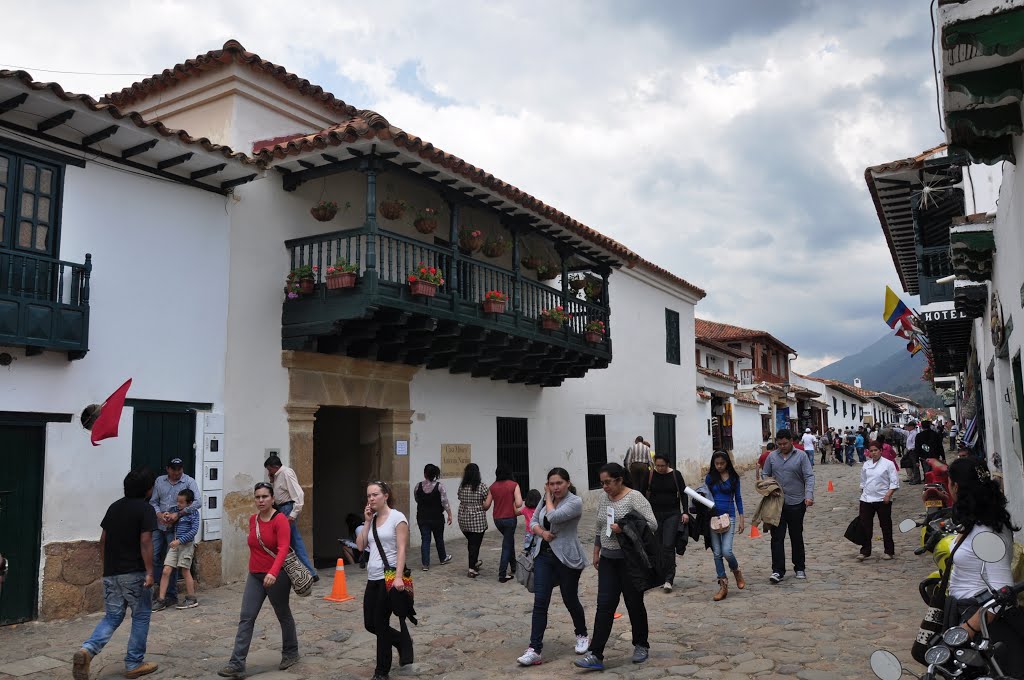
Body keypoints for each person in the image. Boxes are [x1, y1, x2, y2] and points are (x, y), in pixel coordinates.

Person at [73, 468, 159, 680]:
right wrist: (150, 572)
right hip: (135, 573)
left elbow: (103, 540)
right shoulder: (145, 510)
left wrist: (108, 566)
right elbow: (146, 542)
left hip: (112, 573)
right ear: (148, 490)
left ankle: (88, 650)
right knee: (141, 616)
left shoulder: (114, 508)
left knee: (112, 616)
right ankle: (133, 663)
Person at [575, 463, 658, 671]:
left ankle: (641, 644)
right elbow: (599, 525)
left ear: (619, 479)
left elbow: (652, 523)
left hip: (629, 561)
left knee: (634, 603)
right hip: (608, 560)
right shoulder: (604, 498)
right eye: (602, 483)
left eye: (608, 482)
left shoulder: (634, 497)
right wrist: (596, 549)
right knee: (604, 606)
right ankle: (596, 654)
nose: (604, 487)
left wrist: (625, 527)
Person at [947, 459, 1023, 675]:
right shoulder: (978, 522)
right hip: (967, 613)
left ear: (956, 486)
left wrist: (966, 631)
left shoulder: (987, 534)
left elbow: (1002, 596)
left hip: (981, 626)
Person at [218, 482, 298, 678]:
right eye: (257, 497)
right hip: (255, 575)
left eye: (265, 497)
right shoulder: (253, 519)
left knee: (283, 614)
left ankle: (291, 652)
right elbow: (255, 547)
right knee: (247, 617)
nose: (261, 500)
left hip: (276, 576)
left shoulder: (280, 520)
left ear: (272, 499)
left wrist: (273, 572)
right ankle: (237, 663)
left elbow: (283, 548)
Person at [517, 468, 589, 666]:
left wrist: (547, 496)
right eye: (551, 484)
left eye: (559, 483)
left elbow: (554, 517)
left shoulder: (575, 502)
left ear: (567, 482)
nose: (555, 487)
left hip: (567, 558)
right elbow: (532, 521)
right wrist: (542, 533)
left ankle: (581, 633)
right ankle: (534, 649)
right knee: (540, 601)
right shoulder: (544, 500)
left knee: (570, 598)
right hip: (544, 557)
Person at [358, 481, 414, 680]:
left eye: (375, 494)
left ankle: (381, 672)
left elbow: (401, 549)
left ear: (386, 495)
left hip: (389, 577)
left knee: (380, 624)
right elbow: (360, 545)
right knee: (369, 624)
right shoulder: (371, 519)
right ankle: (400, 640)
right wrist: (366, 522)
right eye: (368, 496)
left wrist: (398, 576)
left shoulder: (397, 518)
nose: (371, 499)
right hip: (372, 576)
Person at [762, 429, 814, 583]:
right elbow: (765, 474)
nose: (782, 446)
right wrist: (770, 488)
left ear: (792, 441)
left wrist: (809, 495)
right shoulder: (772, 457)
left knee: (796, 535)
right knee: (776, 537)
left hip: (797, 502)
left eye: (785, 443)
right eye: (780, 444)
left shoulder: (801, 456)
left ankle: (799, 567)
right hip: (777, 503)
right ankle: (777, 570)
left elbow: (809, 476)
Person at [149, 457, 201, 608]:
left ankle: (171, 595)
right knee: (155, 557)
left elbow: (197, 502)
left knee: (174, 562)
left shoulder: (189, 482)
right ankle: (159, 594)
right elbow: (153, 502)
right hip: (160, 525)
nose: (177, 472)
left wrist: (177, 515)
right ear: (168, 469)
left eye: (180, 469)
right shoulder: (160, 481)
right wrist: (160, 515)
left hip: (177, 530)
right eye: (174, 469)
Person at [264, 455, 317, 582]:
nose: (268, 472)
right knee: (287, 540)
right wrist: (272, 479)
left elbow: (299, 494)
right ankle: (296, 570)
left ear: (274, 467)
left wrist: (293, 514)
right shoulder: (278, 475)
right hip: (281, 508)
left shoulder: (286, 473)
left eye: (269, 469)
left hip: (287, 508)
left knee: (294, 540)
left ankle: (310, 572)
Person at [706, 451, 745, 601]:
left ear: (727, 462)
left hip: (729, 517)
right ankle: (723, 584)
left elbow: (739, 498)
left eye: (722, 463)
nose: (719, 466)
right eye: (717, 464)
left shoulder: (734, 478)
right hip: (713, 518)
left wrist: (741, 518)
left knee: (727, 551)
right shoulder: (710, 478)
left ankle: (736, 570)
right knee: (717, 553)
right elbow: (705, 495)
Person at [645, 454, 687, 592]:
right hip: (655, 515)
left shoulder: (676, 475)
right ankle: (661, 575)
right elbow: (642, 493)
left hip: (672, 514)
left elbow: (683, 493)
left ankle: (669, 578)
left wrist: (685, 512)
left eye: (662, 465)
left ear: (668, 464)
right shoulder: (650, 475)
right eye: (658, 465)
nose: (660, 468)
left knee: (668, 545)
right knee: (658, 546)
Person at [154, 489, 200, 610]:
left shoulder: (194, 513)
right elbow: (170, 518)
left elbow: (193, 531)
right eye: (177, 501)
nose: (178, 504)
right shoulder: (176, 510)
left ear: (189, 503)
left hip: (186, 545)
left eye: (181, 502)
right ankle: (161, 599)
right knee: (166, 570)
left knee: (185, 570)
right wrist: (167, 516)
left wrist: (179, 541)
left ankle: (191, 598)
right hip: (175, 544)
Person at [857, 441, 899, 561]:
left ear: (881, 451)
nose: (874, 453)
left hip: (882, 499)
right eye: (871, 451)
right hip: (866, 499)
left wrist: (888, 495)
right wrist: (863, 494)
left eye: (876, 450)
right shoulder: (866, 465)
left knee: (885, 526)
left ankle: (889, 550)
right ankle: (865, 550)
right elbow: (863, 481)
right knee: (865, 526)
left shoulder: (888, 464)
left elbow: (894, 482)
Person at [413, 464, 453, 571]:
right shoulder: (439, 486)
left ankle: (425, 564)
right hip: (437, 517)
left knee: (425, 540)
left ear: (425, 474)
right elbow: (445, 502)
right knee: (439, 538)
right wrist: (449, 514)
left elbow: (416, 499)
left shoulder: (418, 486)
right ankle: (442, 557)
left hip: (422, 517)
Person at [487, 465, 523, 583]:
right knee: (507, 545)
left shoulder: (493, 486)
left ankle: (513, 567)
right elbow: (518, 504)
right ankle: (502, 573)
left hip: (497, 519)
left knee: (509, 540)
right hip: (510, 518)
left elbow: (486, 505)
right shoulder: (513, 485)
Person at [457, 463, 490, 578]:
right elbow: (486, 502)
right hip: (477, 520)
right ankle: (471, 568)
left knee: (472, 543)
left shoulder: (462, 486)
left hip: (463, 518)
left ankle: (474, 562)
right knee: (475, 544)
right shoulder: (482, 487)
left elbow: (459, 497)